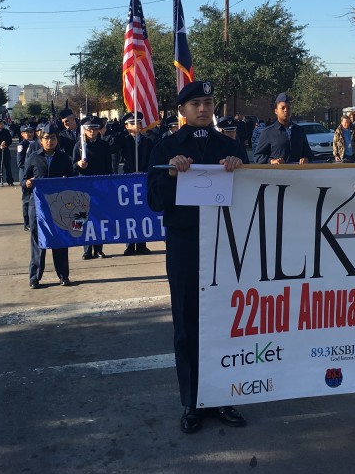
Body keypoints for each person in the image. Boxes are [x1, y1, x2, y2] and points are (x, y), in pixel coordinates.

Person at [147, 80, 248, 434]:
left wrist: (242, 170)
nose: (203, 109)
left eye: (208, 102)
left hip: (226, 245)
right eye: (195, 104)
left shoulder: (230, 147)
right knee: (187, 324)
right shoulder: (166, 149)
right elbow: (155, 202)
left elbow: (251, 199)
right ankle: (192, 401)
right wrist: (172, 175)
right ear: (182, 110)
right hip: (185, 244)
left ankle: (223, 397)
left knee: (225, 322)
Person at [23, 122, 75, 288]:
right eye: (46, 138)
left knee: (59, 240)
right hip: (37, 206)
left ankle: (63, 275)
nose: (49, 141)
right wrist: (27, 183)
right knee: (38, 242)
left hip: (58, 207)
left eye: (52, 138)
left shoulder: (64, 158)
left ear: (57, 140)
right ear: (40, 140)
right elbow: (24, 180)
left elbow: (72, 180)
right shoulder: (33, 158)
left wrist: (67, 181)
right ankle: (35, 277)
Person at [74, 116, 112, 259]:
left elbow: (109, 166)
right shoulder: (79, 145)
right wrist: (78, 165)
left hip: (100, 185)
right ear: (85, 130)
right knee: (85, 217)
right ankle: (87, 249)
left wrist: (109, 183)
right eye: (89, 130)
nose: (92, 132)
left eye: (95, 129)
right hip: (84, 185)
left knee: (100, 217)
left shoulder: (104, 145)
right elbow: (72, 166)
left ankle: (99, 248)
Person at [117, 111, 154, 255]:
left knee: (142, 211)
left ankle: (142, 244)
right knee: (129, 213)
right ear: (126, 126)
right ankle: (130, 244)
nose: (136, 125)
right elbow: (113, 149)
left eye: (138, 122)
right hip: (127, 178)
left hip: (143, 178)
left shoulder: (147, 140)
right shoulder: (123, 140)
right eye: (132, 123)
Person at [253, 93, 312, 164]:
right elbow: (258, 156)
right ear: (276, 111)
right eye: (283, 108)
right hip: (277, 173)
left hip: (297, 173)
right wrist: (271, 161)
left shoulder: (299, 130)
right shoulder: (268, 132)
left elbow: (308, 153)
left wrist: (306, 158)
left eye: (288, 108)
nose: (286, 110)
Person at [15, 124, 36, 231]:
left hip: (35, 175)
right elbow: (20, 163)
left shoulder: (37, 143)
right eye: (27, 132)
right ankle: (27, 222)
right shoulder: (22, 145)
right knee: (27, 199)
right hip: (25, 174)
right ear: (22, 134)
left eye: (31, 132)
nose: (30, 134)